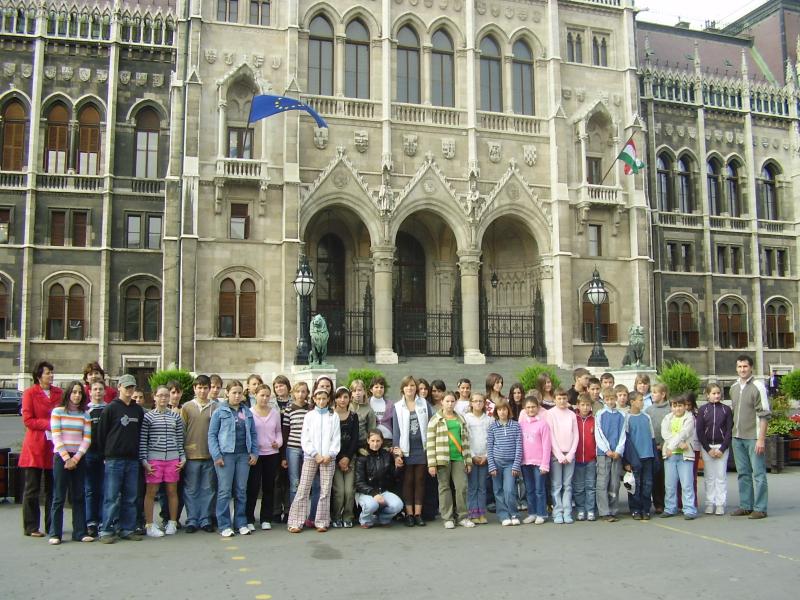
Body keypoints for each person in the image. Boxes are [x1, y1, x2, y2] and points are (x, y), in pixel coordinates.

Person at [98, 374, 144, 543]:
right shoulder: (110, 408)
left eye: (132, 387)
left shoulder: (137, 410)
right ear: (119, 388)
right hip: (114, 459)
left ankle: (127, 528)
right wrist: (105, 455)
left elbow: (140, 432)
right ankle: (106, 530)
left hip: (132, 459)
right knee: (111, 497)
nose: (129, 390)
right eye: (126, 387)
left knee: (130, 497)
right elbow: (102, 434)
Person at [208, 380, 258, 537]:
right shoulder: (219, 411)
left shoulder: (247, 411)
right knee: (225, 490)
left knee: (241, 490)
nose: (237, 396)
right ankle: (224, 525)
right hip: (226, 455)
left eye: (239, 393)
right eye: (234, 393)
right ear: (227, 393)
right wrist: (216, 455)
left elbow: (253, 434)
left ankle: (240, 522)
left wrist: (254, 452)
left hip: (243, 455)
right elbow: (212, 435)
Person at [287, 388, 340, 533]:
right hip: (311, 457)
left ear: (328, 399)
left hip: (328, 458)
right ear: (314, 400)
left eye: (324, 398)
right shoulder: (309, 416)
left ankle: (322, 521)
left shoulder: (333, 416)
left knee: (325, 490)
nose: (321, 401)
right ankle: (295, 522)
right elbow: (305, 438)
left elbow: (336, 438)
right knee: (303, 488)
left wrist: (330, 454)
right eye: (319, 399)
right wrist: (315, 454)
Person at [20, 360, 63, 538]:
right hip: (35, 445)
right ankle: (31, 526)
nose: (51, 375)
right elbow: (28, 420)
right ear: (39, 376)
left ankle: (52, 525)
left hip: (54, 445)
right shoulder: (30, 393)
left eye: (52, 372)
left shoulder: (59, 393)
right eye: (47, 373)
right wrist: (49, 424)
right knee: (32, 488)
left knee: (53, 489)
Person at [48, 381, 93, 545]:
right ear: (68, 393)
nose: (77, 395)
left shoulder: (85, 414)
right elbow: (56, 436)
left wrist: (76, 458)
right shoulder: (57, 412)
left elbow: (87, 439)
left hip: (78, 458)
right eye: (74, 392)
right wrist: (67, 458)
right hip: (62, 457)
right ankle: (55, 533)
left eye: (80, 393)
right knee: (59, 496)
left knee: (78, 495)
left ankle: (80, 532)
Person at [140, 386, 186, 537]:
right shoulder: (148, 417)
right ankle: (150, 525)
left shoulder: (175, 417)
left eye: (166, 395)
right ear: (154, 397)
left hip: (173, 459)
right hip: (154, 459)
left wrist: (182, 457)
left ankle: (172, 522)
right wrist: (144, 461)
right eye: (160, 395)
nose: (163, 398)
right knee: (151, 492)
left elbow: (180, 440)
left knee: (172, 491)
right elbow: (143, 440)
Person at [730, 355, 771, 519]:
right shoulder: (733, 388)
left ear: (751, 368)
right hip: (737, 437)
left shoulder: (758, 386)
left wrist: (761, 439)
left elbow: (764, 415)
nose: (742, 370)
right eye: (739, 367)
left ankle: (760, 508)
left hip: (753, 437)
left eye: (745, 366)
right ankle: (746, 505)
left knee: (758, 474)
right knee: (743, 473)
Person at [427, 392, 474, 529]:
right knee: (444, 487)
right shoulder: (435, 419)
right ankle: (447, 517)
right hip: (442, 458)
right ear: (442, 402)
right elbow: (430, 443)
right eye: (447, 401)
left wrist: (468, 460)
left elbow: (466, 441)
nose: (450, 404)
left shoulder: (460, 418)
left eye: (452, 401)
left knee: (461, 487)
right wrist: (431, 464)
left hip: (459, 457)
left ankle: (463, 516)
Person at [180, 374, 219, 533]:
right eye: (199, 388)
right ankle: (192, 519)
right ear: (194, 389)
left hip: (209, 455)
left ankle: (205, 519)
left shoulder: (216, 407)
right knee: (191, 489)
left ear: (209, 389)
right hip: (191, 455)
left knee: (208, 489)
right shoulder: (187, 407)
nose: (202, 391)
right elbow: (182, 431)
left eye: (205, 388)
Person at [392, 375, 431, 527]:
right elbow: (396, 432)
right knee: (408, 481)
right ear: (402, 388)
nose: (410, 388)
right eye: (407, 385)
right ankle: (409, 514)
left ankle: (418, 514)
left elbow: (431, 424)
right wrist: (397, 453)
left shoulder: (424, 403)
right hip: (405, 449)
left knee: (420, 480)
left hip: (421, 448)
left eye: (412, 385)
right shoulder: (397, 406)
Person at [246, 384, 282, 531]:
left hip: (271, 454)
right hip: (255, 455)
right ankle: (249, 518)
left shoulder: (275, 413)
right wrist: (251, 450)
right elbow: (247, 434)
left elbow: (278, 432)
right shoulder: (249, 412)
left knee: (269, 487)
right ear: (255, 395)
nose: (265, 398)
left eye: (267, 395)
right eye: (262, 395)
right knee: (253, 487)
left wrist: (278, 442)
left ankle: (266, 518)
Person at [695, 383, 733, 516]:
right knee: (709, 477)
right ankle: (710, 503)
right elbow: (699, 431)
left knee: (721, 476)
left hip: (721, 447)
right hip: (708, 448)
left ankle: (720, 504)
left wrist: (723, 448)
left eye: (718, 393)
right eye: (713, 393)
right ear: (707, 395)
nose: (716, 396)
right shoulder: (703, 410)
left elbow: (729, 431)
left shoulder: (726, 410)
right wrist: (707, 449)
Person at [354, 429, 404, 528]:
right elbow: (359, 482)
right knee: (372, 505)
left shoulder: (386, 455)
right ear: (368, 441)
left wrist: (398, 467)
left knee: (398, 505)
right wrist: (373, 493)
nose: (375, 444)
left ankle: (383, 518)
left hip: (383, 491)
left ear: (382, 441)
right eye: (372, 441)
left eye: (378, 441)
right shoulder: (362, 457)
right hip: (366, 492)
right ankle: (365, 520)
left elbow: (393, 476)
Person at [660, 395, 698, 520]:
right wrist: (675, 445)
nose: (677, 409)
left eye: (680, 406)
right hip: (670, 455)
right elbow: (665, 434)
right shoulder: (667, 418)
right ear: (671, 407)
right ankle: (670, 508)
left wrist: (674, 445)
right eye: (674, 406)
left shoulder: (689, 418)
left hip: (685, 455)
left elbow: (684, 433)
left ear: (685, 406)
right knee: (669, 484)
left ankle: (689, 509)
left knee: (687, 484)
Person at [545, 387, 579, 524]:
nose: (562, 401)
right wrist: (558, 454)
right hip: (556, 455)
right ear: (554, 399)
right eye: (559, 398)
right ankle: (557, 512)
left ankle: (567, 512)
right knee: (556, 485)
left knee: (568, 485)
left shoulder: (571, 414)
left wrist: (571, 453)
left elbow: (576, 435)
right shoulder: (550, 414)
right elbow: (551, 435)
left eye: (564, 398)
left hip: (570, 454)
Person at [487, 398, 521, 527]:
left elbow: (519, 446)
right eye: (499, 410)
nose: (502, 412)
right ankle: (503, 515)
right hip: (496, 463)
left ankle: (513, 513)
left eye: (504, 409)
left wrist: (516, 465)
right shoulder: (493, 427)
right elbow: (489, 447)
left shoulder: (516, 426)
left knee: (509, 490)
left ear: (508, 410)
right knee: (498, 490)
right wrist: (491, 465)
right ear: (496, 412)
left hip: (510, 464)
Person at [594, 385, 626, 522]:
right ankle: (604, 511)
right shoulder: (600, 414)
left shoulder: (622, 415)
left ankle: (613, 510)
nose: (610, 401)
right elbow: (599, 433)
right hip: (603, 453)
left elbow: (623, 434)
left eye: (612, 398)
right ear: (604, 400)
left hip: (616, 454)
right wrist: (607, 449)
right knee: (603, 482)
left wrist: (618, 450)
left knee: (614, 483)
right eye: (607, 399)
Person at [518, 393, 550, 525]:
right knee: (529, 489)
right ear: (524, 409)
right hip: (525, 462)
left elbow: (547, 445)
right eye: (528, 407)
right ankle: (532, 513)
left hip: (539, 463)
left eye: (533, 407)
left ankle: (542, 513)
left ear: (538, 408)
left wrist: (545, 464)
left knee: (539, 489)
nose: (530, 410)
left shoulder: (543, 424)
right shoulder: (521, 424)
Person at [623, 393, 655, 521]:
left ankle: (645, 509)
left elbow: (652, 437)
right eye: (640, 400)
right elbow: (625, 440)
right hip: (635, 458)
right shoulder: (627, 418)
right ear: (632, 402)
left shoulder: (646, 417)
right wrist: (627, 461)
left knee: (647, 484)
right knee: (635, 485)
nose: (642, 403)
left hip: (648, 456)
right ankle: (635, 509)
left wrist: (654, 456)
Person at [332, 387, 358, 528]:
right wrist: (339, 459)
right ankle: (336, 516)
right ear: (335, 399)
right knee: (339, 491)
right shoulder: (330, 415)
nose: (342, 400)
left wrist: (347, 458)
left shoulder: (353, 416)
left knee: (349, 490)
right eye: (339, 397)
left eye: (345, 397)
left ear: (349, 399)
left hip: (349, 458)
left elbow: (354, 439)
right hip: (334, 458)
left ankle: (348, 516)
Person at [464, 392, 491, 524]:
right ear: (471, 403)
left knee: (482, 486)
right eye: (475, 401)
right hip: (472, 457)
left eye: (481, 401)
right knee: (473, 486)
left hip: (484, 457)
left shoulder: (489, 419)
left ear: (484, 403)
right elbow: (466, 439)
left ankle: (481, 513)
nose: (478, 403)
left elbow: (491, 439)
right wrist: (473, 455)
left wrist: (486, 456)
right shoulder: (466, 418)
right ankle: (473, 513)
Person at [84, 381, 107, 537]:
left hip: (105, 455)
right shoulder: (85, 410)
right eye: (95, 389)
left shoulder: (109, 409)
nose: (98, 392)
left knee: (105, 489)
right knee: (90, 489)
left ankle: (103, 520)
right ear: (90, 392)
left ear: (104, 392)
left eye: (100, 389)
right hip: (89, 454)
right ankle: (91, 521)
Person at [645, 382, 670, 513]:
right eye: (652, 393)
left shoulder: (670, 409)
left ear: (663, 394)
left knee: (668, 477)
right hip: (654, 448)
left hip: (668, 448)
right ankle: (658, 503)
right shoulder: (649, 410)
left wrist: (664, 444)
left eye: (655, 392)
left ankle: (669, 502)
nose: (652, 395)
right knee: (656, 476)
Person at [271, 375, 292, 522]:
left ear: (288, 386)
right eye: (277, 386)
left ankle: (289, 510)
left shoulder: (294, 402)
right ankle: (276, 510)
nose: (279, 388)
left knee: (289, 480)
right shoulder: (271, 403)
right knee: (276, 479)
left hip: (290, 444)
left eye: (282, 385)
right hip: (274, 446)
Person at [573, 394, 597, 522]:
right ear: (578, 405)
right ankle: (581, 509)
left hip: (591, 459)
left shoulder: (594, 420)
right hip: (577, 459)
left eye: (588, 405)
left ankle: (590, 510)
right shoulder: (573, 419)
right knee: (578, 487)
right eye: (582, 405)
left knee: (590, 486)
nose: (585, 407)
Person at [349, 378, 376, 448]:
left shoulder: (369, 410)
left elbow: (372, 430)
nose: (357, 393)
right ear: (351, 393)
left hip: (363, 443)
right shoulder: (347, 407)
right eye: (354, 391)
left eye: (359, 390)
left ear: (364, 391)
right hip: (348, 442)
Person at [369, 376, 394, 445]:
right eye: (376, 387)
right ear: (371, 389)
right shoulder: (367, 404)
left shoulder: (390, 404)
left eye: (381, 387)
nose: (379, 389)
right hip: (373, 441)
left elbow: (394, 424)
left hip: (388, 439)